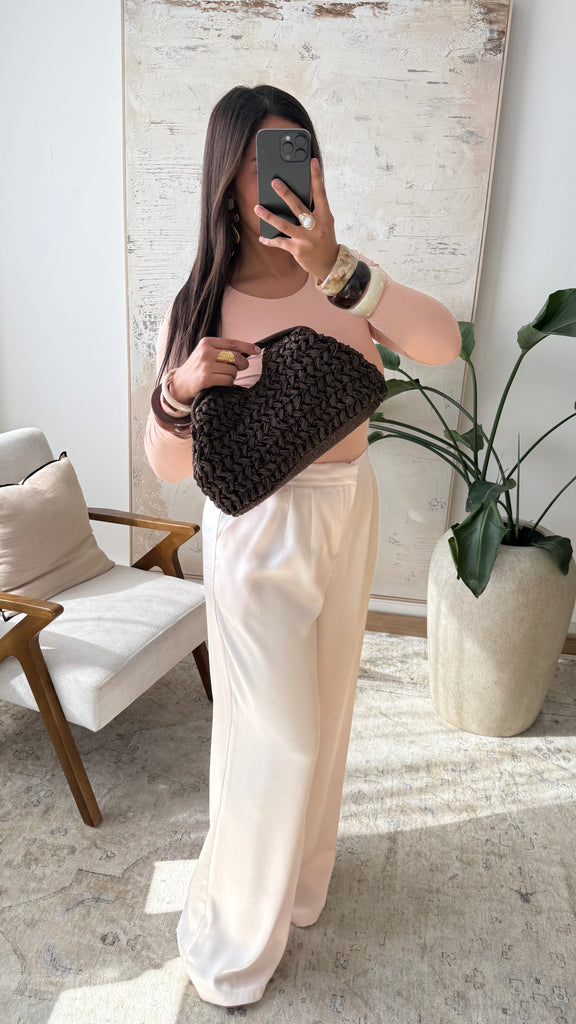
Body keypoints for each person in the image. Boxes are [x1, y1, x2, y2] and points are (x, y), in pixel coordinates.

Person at [144, 84, 461, 1008]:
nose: (283, 177)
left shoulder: (346, 280)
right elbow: (168, 465)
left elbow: (440, 344)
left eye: (298, 156)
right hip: (256, 533)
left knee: (326, 716)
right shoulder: (201, 301)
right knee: (275, 737)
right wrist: (182, 388)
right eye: (260, 161)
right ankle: (234, 936)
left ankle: (296, 886)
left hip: (347, 512)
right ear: (226, 177)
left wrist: (338, 268)